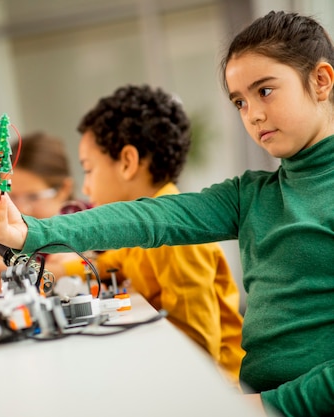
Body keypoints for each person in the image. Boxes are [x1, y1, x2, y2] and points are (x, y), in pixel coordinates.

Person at [0, 10, 334, 416]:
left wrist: (269, 405)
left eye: (264, 91)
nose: (253, 114)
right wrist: (29, 231)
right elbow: (147, 220)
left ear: (321, 80)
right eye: (240, 102)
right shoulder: (253, 194)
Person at [51, 84, 243, 382]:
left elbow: (198, 347)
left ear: (127, 162)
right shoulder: (143, 229)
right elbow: (114, 262)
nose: (86, 188)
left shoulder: (177, 236)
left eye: (88, 169)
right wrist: (59, 268)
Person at [0, 132, 84, 293]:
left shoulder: (93, 223)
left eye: (33, 197)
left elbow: (112, 267)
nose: (22, 209)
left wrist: (54, 269)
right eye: (11, 196)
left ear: (64, 189)